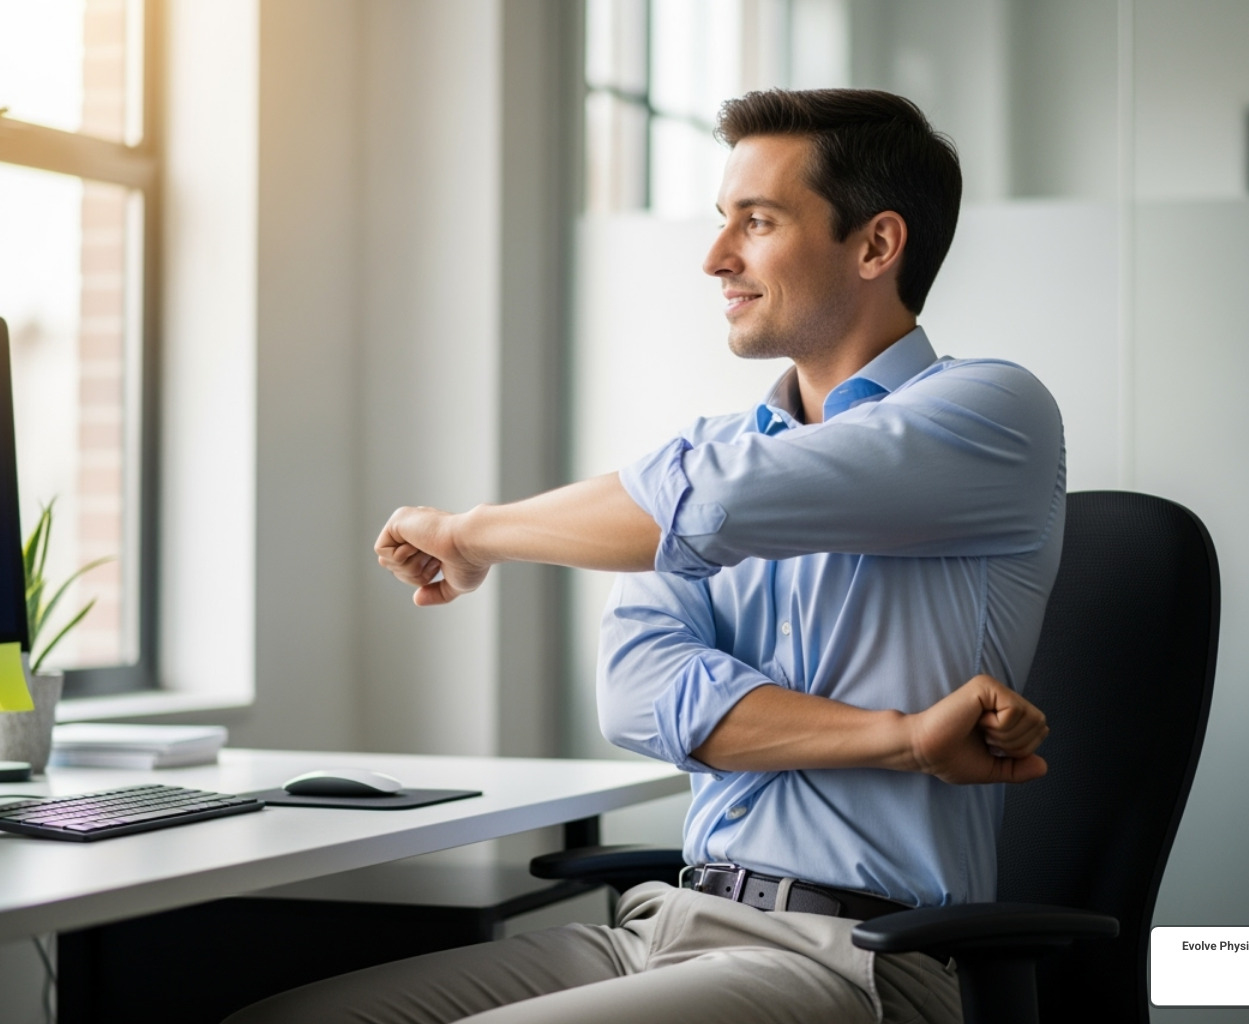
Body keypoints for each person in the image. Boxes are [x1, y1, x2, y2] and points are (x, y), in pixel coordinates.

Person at [226, 88, 1065, 1024]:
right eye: (722, 222)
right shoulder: (702, 460)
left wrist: (468, 537)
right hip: (664, 924)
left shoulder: (989, 415)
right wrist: (900, 739)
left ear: (875, 246)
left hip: (861, 957)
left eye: (758, 222)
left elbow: (706, 509)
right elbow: (640, 695)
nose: (716, 258)